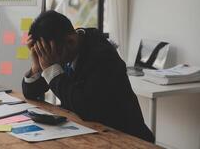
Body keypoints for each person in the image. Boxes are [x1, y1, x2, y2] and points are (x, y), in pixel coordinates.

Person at [22, 10, 155, 143]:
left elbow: (85, 106)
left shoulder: (102, 56)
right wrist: (37, 68)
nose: (46, 58)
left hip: (127, 138)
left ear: (71, 41)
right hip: (87, 133)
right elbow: (30, 94)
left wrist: (51, 69)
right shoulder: (62, 46)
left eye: (46, 54)